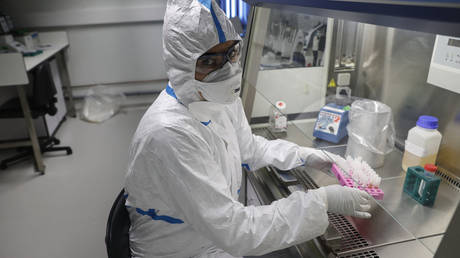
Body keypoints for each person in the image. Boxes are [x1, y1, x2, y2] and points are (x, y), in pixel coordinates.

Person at [124, 1, 372, 257]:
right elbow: (234, 229)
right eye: (209, 61)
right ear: (181, 66)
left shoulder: (218, 97)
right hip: (179, 252)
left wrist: (303, 156)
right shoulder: (169, 134)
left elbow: (248, 148)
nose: (228, 71)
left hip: (212, 241)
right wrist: (322, 202)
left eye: (231, 53)